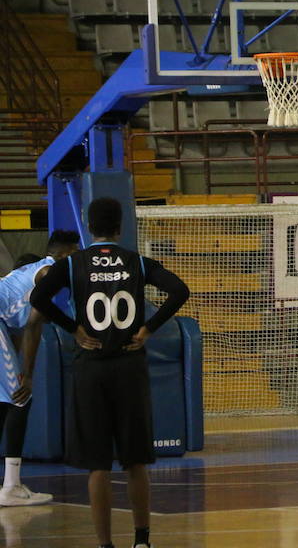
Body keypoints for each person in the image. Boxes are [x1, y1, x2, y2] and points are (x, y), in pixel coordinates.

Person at [22, 197, 190, 548]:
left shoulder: (73, 264)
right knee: (135, 461)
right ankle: (142, 541)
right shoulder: (138, 263)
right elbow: (179, 291)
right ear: (121, 225)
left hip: (91, 368)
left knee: (98, 465)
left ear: (88, 224)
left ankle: (105, 545)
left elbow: (37, 298)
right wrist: (149, 328)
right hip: (129, 366)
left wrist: (72, 328)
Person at [0, 233, 80, 507]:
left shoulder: (23, 279)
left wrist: (21, 370)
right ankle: (11, 487)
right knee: (20, 399)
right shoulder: (48, 271)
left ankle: (10, 485)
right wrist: (28, 376)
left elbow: (21, 331)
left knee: (7, 400)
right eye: (76, 254)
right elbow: (34, 325)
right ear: (67, 255)